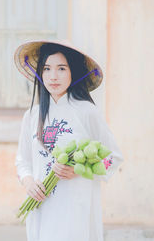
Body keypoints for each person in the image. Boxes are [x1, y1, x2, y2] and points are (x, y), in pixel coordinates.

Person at [13, 40, 124, 241]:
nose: (53, 76)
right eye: (47, 69)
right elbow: (23, 162)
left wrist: (80, 170)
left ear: (73, 72)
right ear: (41, 73)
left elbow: (113, 157)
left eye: (61, 68)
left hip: (76, 208)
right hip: (41, 206)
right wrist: (29, 183)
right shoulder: (31, 116)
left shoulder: (87, 112)